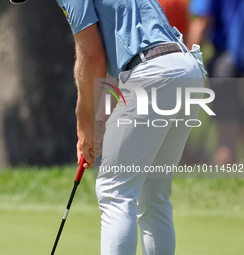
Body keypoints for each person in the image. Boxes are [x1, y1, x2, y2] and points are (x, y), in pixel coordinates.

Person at [54, 1, 205, 255]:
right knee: (153, 196)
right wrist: (97, 125)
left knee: (115, 190)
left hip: (152, 74)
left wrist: (84, 122)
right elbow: (116, 66)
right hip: (186, 70)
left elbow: (92, 58)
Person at [187, 0, 244, 165]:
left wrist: (189, 64)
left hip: (226, 64)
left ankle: (227, 178)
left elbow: (202, 22)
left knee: (226, 139)